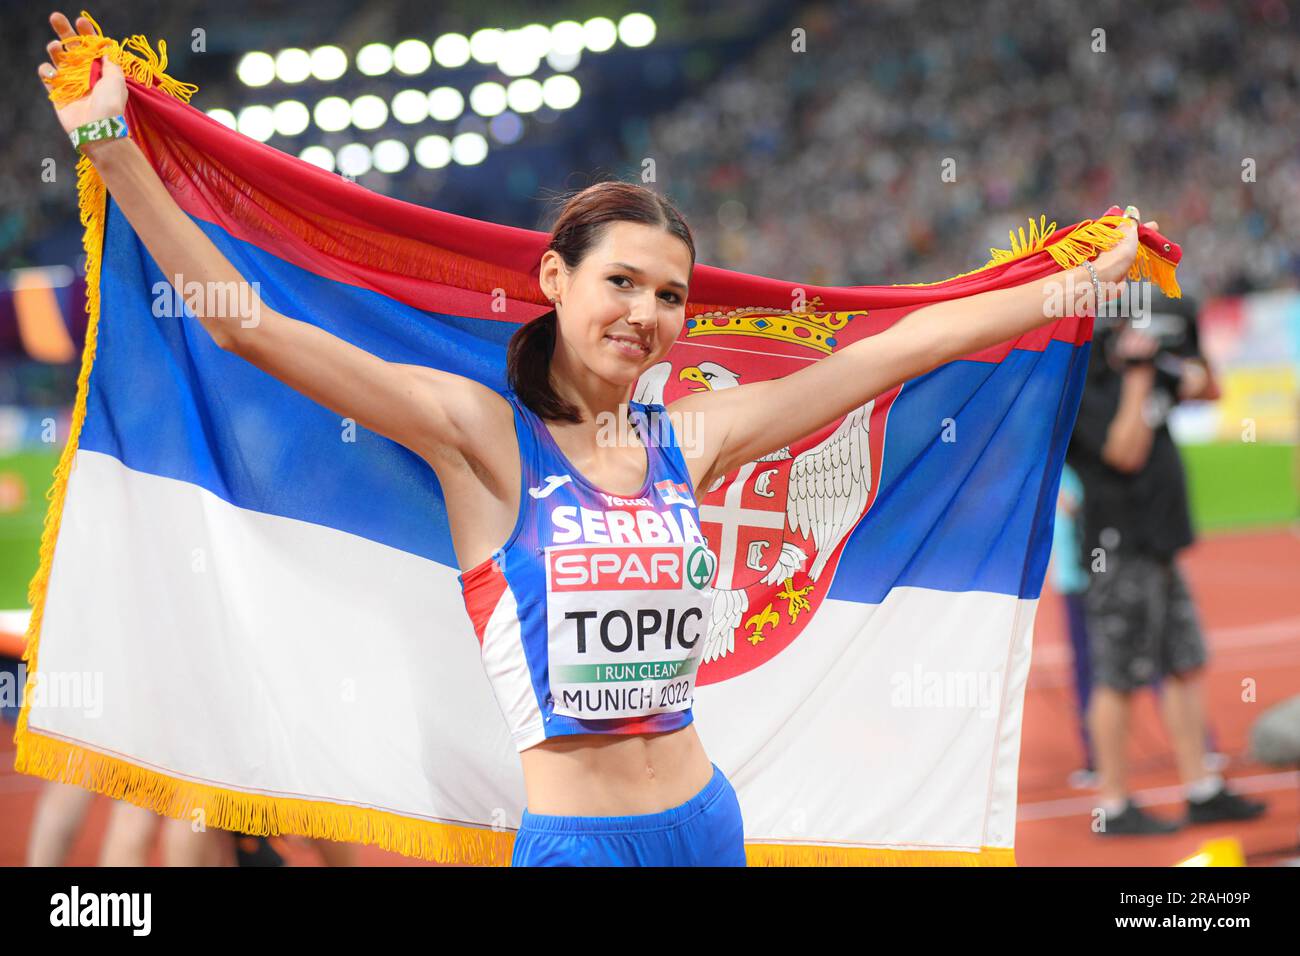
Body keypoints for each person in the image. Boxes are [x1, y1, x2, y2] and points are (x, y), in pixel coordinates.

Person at [38, 10, 1155, 866]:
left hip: (707, 819)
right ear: (553, 280)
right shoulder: (481, 437)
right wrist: (114, 150)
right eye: (620, 281)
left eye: (669, 295)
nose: (646, 314)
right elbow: (254, 331)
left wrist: (1076, 280)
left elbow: (888, 354)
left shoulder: (694, 436)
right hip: (574, 842)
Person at [1066, 285, 1267, 835]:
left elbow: (1210, 390)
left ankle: (1200, 786)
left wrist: (1183, 349)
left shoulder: (1155, 369)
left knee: (1183, 661)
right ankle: (1113, 804)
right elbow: (1124, 453)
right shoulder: (1087, 386)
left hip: (1159, 544)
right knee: (1119, 677)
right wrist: (1136, 374)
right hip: (1117, 549)